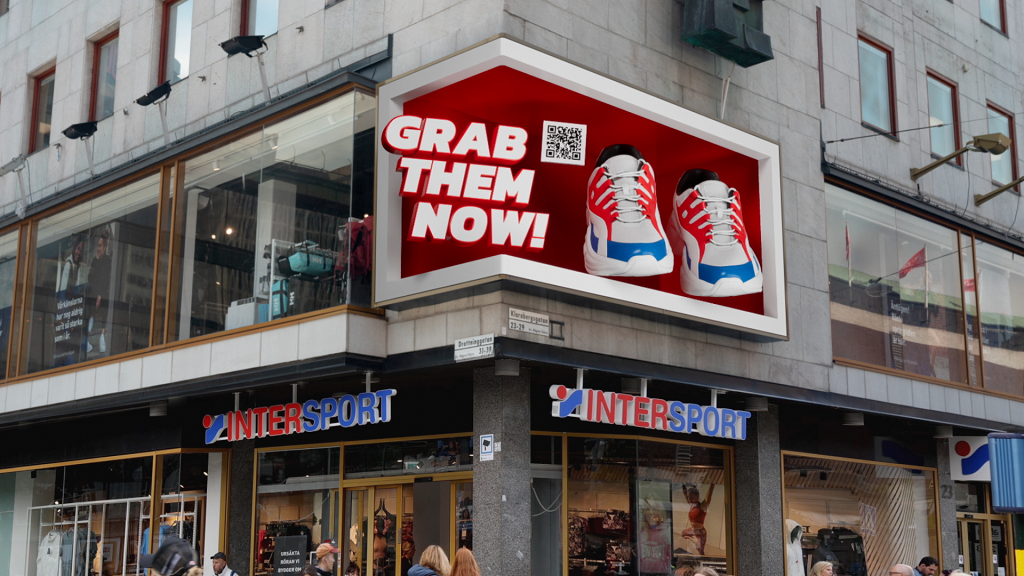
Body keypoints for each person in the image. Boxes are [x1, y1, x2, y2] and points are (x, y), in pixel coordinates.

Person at [86, 230, 112, 356]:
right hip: (94, 293)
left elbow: (105, 280)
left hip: (102, 294)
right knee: (91, 313)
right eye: (98, 245)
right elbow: (90, 278)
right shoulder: (95, 261)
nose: (98, 248)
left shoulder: (107, 261)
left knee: (102, 313)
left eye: (100, 246)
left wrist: (100, 296)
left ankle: (102, 340)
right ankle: (88, 339)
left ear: (105, 247)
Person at [680, 484, 714, 555]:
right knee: (683, 534)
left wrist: (712, 484)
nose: (689, 499)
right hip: (693, 530)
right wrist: (683, 484)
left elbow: (708, 497)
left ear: (697, 496)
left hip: (700, 532)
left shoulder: (702, 507)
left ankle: (697, 541)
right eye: (688, 498)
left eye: (691, 497)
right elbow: (685, 493)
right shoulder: (691, 504)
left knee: (700, 550)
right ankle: (694, 540)